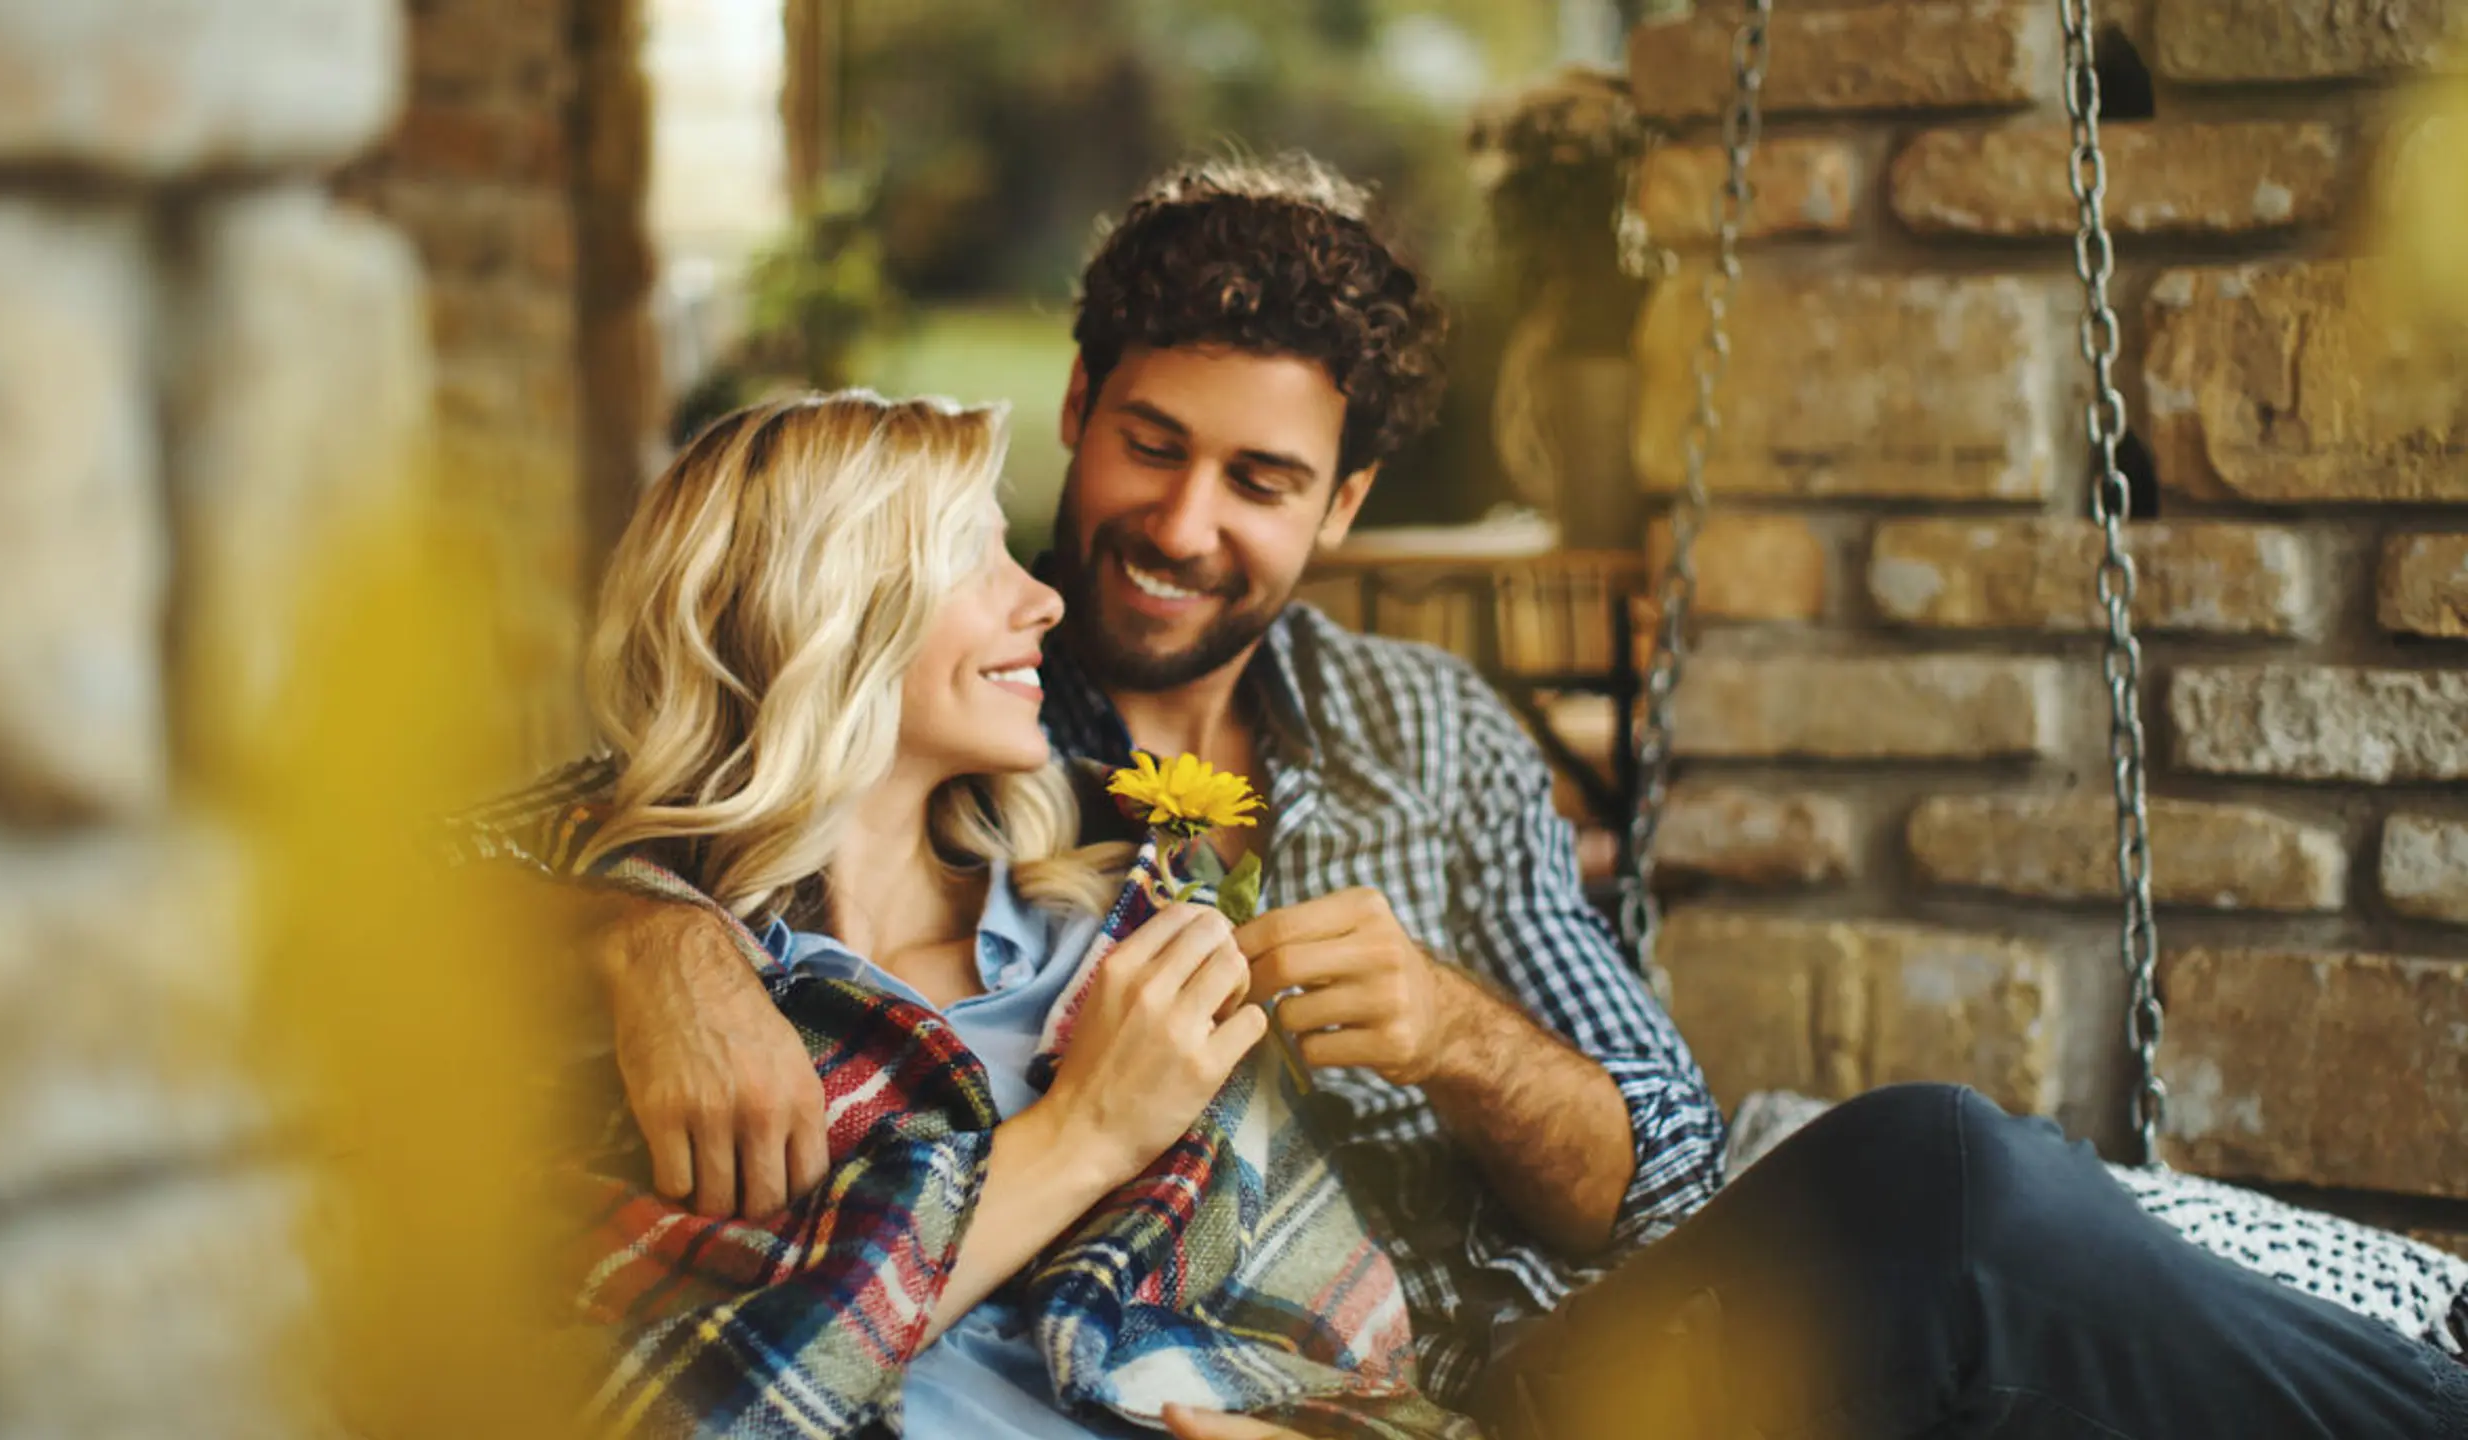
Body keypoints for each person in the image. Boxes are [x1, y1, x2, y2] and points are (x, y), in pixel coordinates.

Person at [467, 156, 2468, 1438]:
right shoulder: (961, 725)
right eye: (1145, 447)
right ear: (1074, 418)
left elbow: (1661, 1164)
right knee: (1958, 1212)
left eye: (1255, 484)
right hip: (1284, 1390)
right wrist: (638, 926)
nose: (1172, 527)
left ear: (1338, 509)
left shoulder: (1428, 739)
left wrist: (1454, 1037)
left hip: (1518, 1373)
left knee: (1949, 1192)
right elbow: (600, 804)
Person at [535, 390, 1471, 1439]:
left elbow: (1364, 1366)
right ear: (828, 605)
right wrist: (1084, 1134)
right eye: (975, 558)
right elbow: (652, 1415)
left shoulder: (1116, 939)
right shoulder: (661, 1011)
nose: (1044, 603)